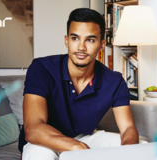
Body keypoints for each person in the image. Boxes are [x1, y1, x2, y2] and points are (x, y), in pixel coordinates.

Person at [19, 8, 139, 160]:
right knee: (39, 155)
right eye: (75, 38)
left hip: (84, 137)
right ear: (66, 40)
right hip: (43, 141)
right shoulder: (41, 68)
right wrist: (77, 147)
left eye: (90, 40)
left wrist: (128, 150)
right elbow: (33, 129)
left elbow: (128, 128)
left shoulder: (114, 81)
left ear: (102, 45)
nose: (81, 47)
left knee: (140, 145)